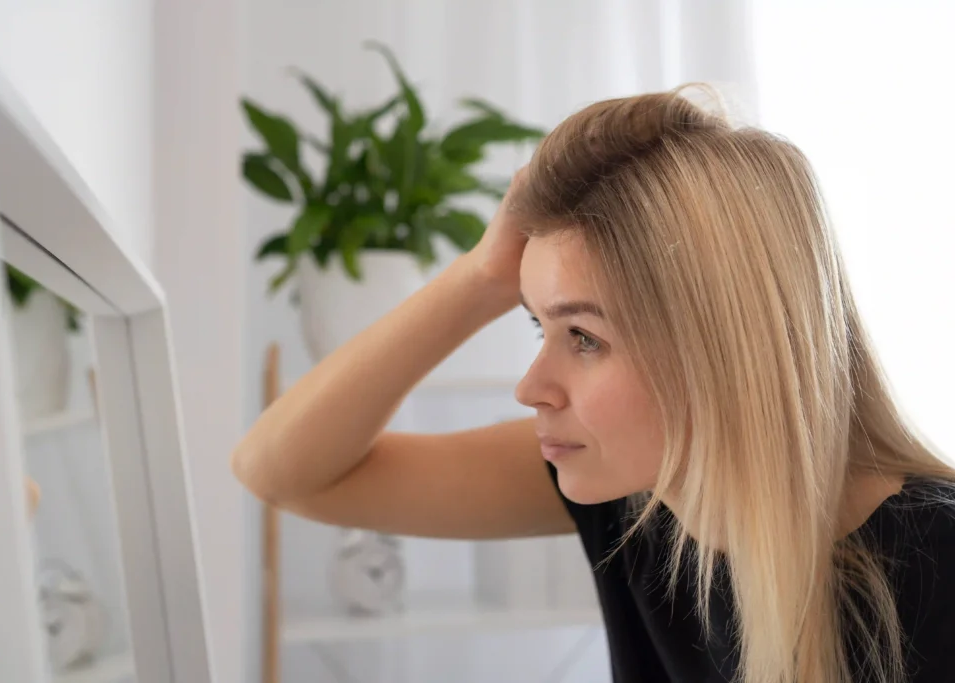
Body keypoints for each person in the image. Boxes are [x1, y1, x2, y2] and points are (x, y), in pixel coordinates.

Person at [231, 85, 955, 683]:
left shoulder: (938, 564)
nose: (531, 386)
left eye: (584, 336)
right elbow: (279, 471)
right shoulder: (635, 494)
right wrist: (482, 275)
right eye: (535, 326)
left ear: (720, 346)